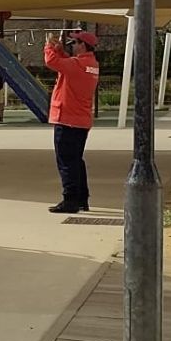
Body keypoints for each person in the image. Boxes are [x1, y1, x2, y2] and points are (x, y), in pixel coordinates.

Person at [43, 30, 101, 214]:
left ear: (83, 45)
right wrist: (61, 51)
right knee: (76, 160)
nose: (72, 46)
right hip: (81, 121)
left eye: (74, 43)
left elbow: (52, 62)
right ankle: (81, 198)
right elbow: (65, 64)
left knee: (66, 162)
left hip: (67, 118)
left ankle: (70, 200)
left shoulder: (77, 64)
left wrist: (50, 46)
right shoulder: (90, 64)